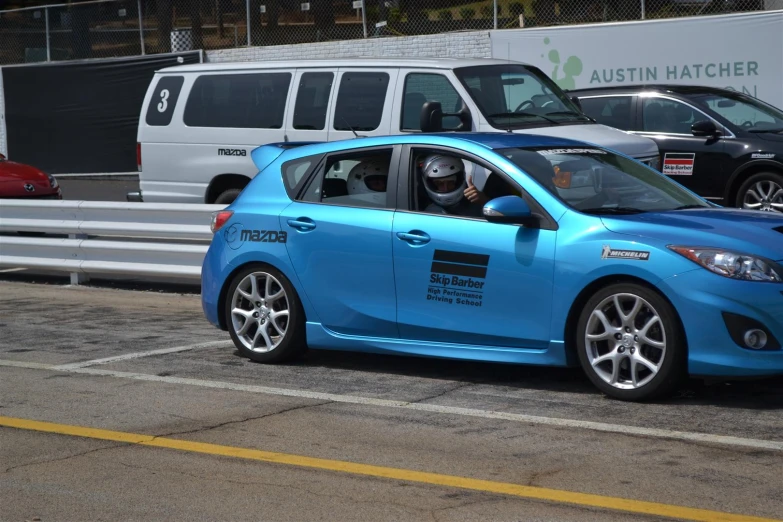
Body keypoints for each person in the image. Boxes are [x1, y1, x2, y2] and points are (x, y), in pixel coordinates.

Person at [421, 154, 489, 217]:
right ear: (431, 184)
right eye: (439, 183)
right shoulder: (428, 214)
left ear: (459, 181)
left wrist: (484, 202)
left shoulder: (475, 205)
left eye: (450, 182)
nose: (445, 188)